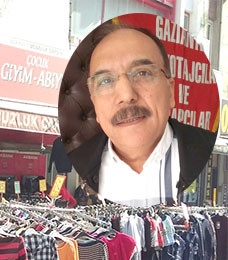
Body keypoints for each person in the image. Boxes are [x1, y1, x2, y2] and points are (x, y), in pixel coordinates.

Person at [67, 23, 216, 207]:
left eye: (142, 73)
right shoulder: (79, 160)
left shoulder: (205, 149)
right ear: (95, 104)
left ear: (171, 92)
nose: (126, 95)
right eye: (105, 81)